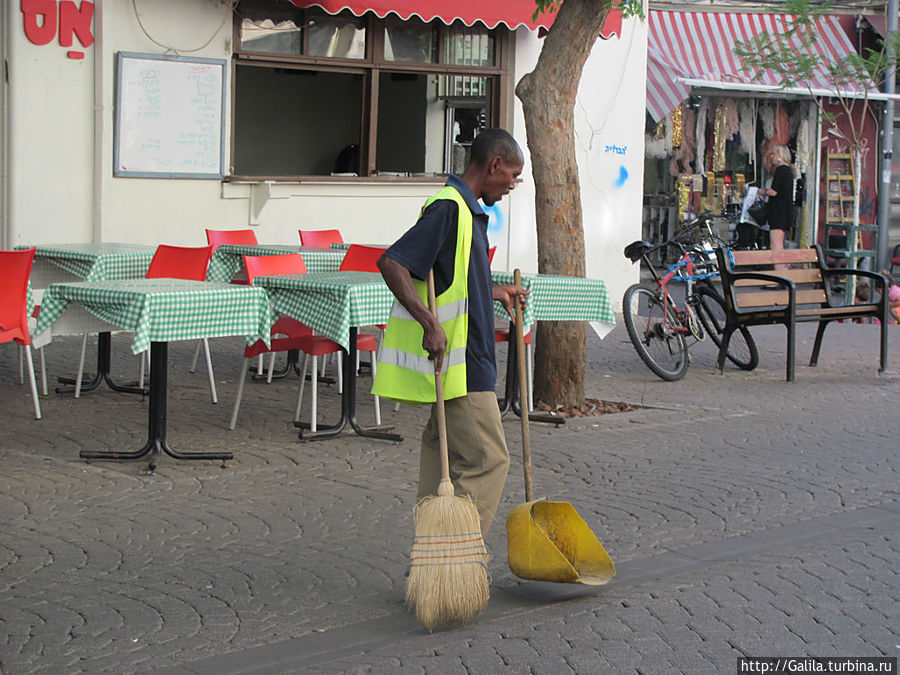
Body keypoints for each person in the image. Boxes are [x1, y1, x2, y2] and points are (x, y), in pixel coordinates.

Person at [373, 128, 528, 536]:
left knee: (442, 463)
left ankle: (430, 562)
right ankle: (452, 557)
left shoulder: (466, 210)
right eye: (512, 175)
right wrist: (428, 322)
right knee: (489, 460)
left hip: (463, 364)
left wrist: (493, 291)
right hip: (463, 367)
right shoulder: (449, 208)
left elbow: (451, 278)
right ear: (493, 165)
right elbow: (393, 263)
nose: (512, 185)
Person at [763, 144, 795, 265]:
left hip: (778, 212)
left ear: (780, 155)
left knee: (775, 244)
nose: (772, 157)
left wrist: (761, 191)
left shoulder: (781, 170)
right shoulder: (788, 171)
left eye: (774, 153)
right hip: (784, 212)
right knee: (779, 244)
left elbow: (773, 192)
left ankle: (778, 274)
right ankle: (782, 273)